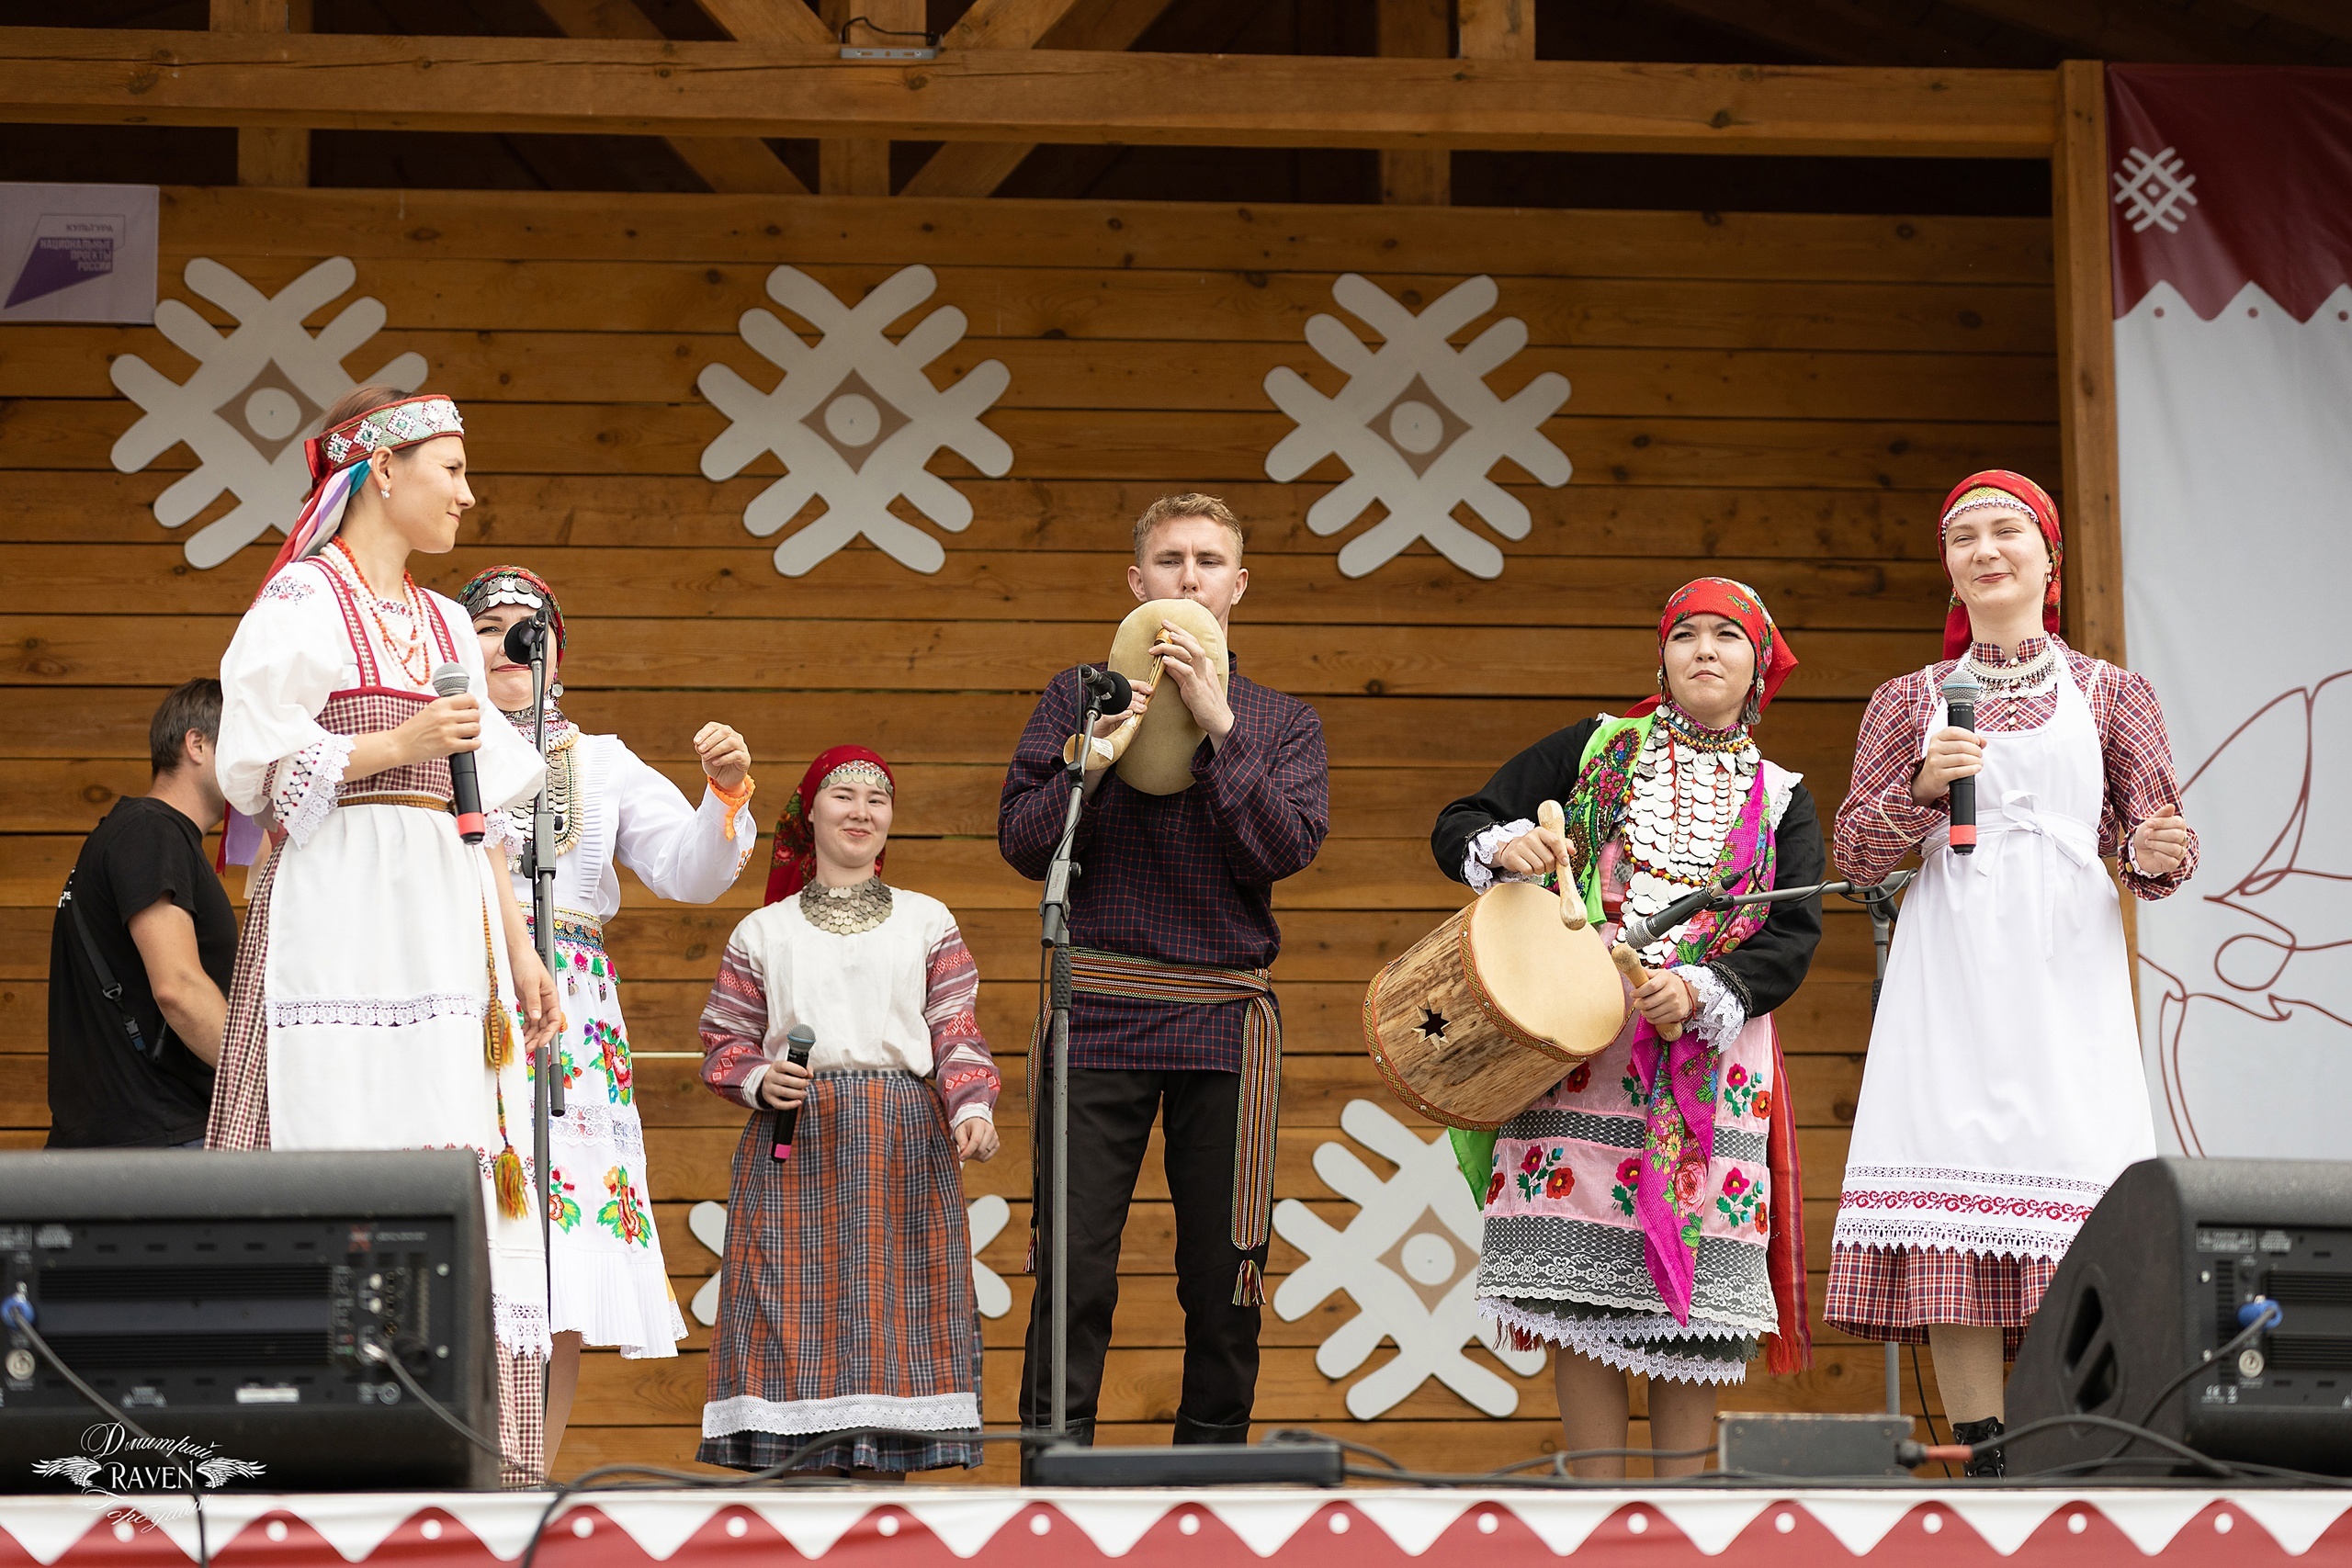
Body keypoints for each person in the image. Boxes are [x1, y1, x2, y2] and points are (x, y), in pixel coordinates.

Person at [206, 385, 560, 1477]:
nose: (466, 493)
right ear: (383, 469)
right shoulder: (303, 600)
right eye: (450, 469)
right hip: (341, 900)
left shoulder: (447, 620)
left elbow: (477, 807)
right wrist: (391, 743)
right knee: (338, 1124)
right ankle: (312, 1436)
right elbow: (256, 769)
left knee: (447, 1139)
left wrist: (520, 949)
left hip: (444, 914)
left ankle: (455, 1442)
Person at [1826, 470, 2197, 1476]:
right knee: (1956, 1196)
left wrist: (2155, 851)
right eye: (1964, 538)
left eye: (2006, 532)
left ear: (2049, 557)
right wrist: (1921, 787)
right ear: (1948, 569)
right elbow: (1855, 854)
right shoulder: (1907, 700)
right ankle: (1986, 1458)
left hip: (2065, 968)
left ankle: (2079, 1446)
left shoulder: (2113, 693)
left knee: (2081, 1190)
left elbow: (2159, 844)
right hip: (1949, 968)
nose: (1985, 551)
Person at [1430, 577, 1823, 1478]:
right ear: (1662, 657)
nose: (1704, 650)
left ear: (1760, 665)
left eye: (1727, 635)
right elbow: (1462, 821)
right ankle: (1594, 1515)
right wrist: (1508, 846)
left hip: (1708, 1063)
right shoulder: (1596, 746)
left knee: (1688, 1322)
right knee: (1582, 1304)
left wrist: (1701, 989)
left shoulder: (1781, 798)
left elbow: (1793, 934)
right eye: (1685, 634)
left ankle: (1683, 1523)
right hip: (1580, 1056)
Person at [999, 493, 1329, 1448]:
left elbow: (1281, 851)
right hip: (1096, 1005)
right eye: (1171, 560)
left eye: (1209, 561)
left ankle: (1207, 1489)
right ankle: (1051, 1485)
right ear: (1136, 582)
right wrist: (1096, 756)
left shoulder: (1280, 720)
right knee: (1073, 1270)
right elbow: (1022, 842)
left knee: (1223, 1278)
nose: (1190, 577)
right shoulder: (1077, 695)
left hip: (1222, 1018)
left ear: (1238, 586)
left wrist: (1220, 726)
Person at [464, 564, 760, 1461]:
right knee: (467, 1239)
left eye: (528, 627)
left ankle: (526, 1472)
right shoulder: (438, 745)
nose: (510, 642)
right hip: (462, 996)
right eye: (488, 626)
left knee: (558, 1258)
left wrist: (724, 794)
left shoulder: (598, 761)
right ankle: (451, 1467)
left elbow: (687, 870)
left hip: (570, 1016)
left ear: (558, 653)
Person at [695, 747, 1001, 1474]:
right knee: (787, 1310)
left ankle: (879, 1493)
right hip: (795, 1139)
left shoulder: (927, 920)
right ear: (810, 812)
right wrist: (761, 1077)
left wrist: (972, 1106)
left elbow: (955, 1028)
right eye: (844, 796)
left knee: (893, 1316)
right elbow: (724, 1040)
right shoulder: (764, 930)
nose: (862, 811)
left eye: (877, 799)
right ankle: (800, 1489)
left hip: (902, 1142)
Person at [47, 679, 233, 1149]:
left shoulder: (136, 832)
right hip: (157, 1143)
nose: (259, 763)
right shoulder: (152, 831)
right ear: (197, 744)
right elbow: (179, 988)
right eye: (247, 744)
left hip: (128, 1142)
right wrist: (270, 1080)